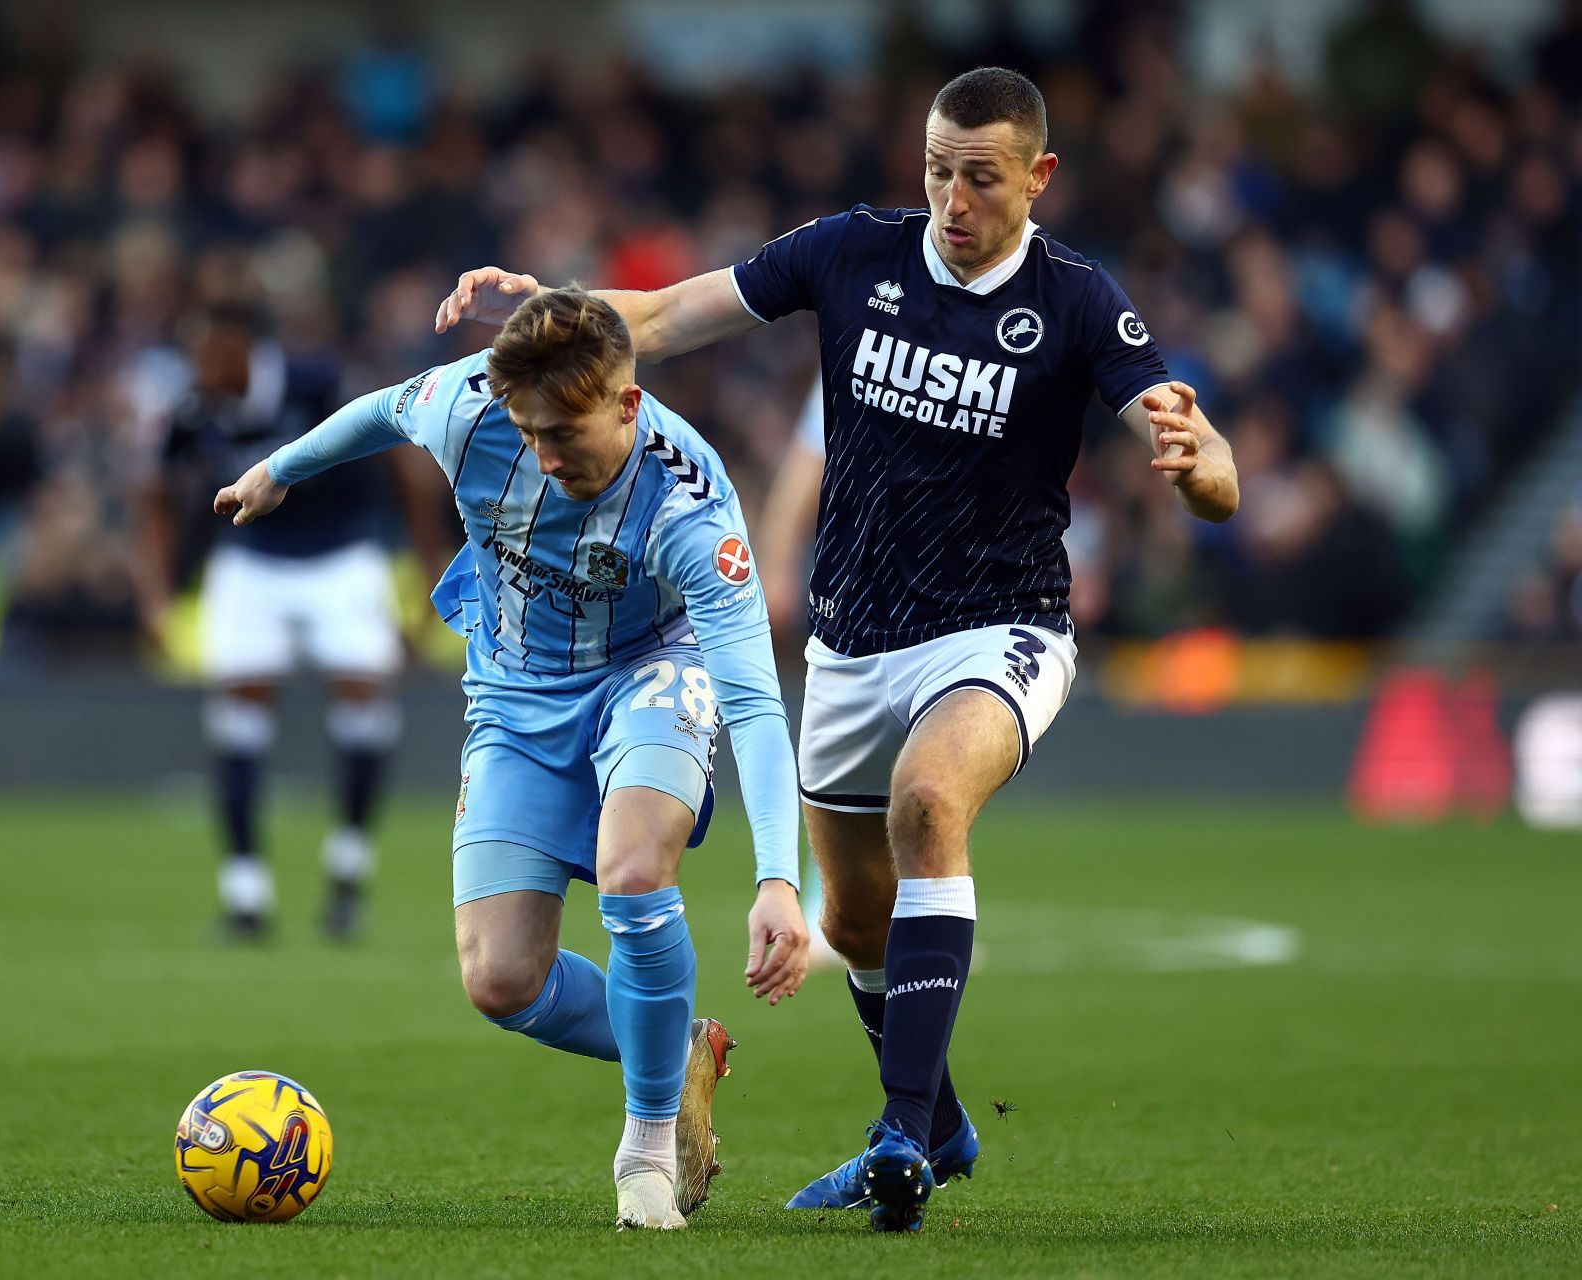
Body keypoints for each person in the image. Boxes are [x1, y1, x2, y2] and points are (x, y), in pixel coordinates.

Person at [434, 67, 1240, 1232]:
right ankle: (947, 1122)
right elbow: (658, 317)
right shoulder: (851, 252)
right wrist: (550, 312)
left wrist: (1204, 467)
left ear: (1037, 177)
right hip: (852, 643)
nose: (951, 198)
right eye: (936, 170)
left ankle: (900, 1134)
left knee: (928, 803)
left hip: (1001, 626)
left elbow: (1183, 432)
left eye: (980, 176)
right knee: (859, 922)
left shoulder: (1077, 301)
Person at [214, 289, 811, 1230]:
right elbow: (382, 411)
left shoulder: (692, 508)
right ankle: (678, 1045)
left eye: (565, 432)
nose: (544, 455)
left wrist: (781, 878)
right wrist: (277, 472)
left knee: (633, 867)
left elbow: (753, 700)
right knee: (500, 981)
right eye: (529, 432)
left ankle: (648, 1151)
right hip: (514, 696)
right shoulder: (469, 406)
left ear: (625, 403)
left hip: (649, 674)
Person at [131, 303, 439, 942]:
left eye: (210, 353)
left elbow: (401, 463)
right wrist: (157, 594)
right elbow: (157, 494)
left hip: (342, 556)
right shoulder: (196, 409)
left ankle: (348, 870)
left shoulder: (318, 384)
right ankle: (245, 891)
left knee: (366, 699)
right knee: (239, 709)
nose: (200, 370)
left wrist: (424, 562)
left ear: (244, 348)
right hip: (252, 562)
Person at [756, 379, 842, 971]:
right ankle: (829, 903)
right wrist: (777, 565)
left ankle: (885, 903)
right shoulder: (868, 334)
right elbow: (807, 461)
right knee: (840, 740)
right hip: (862, 576)